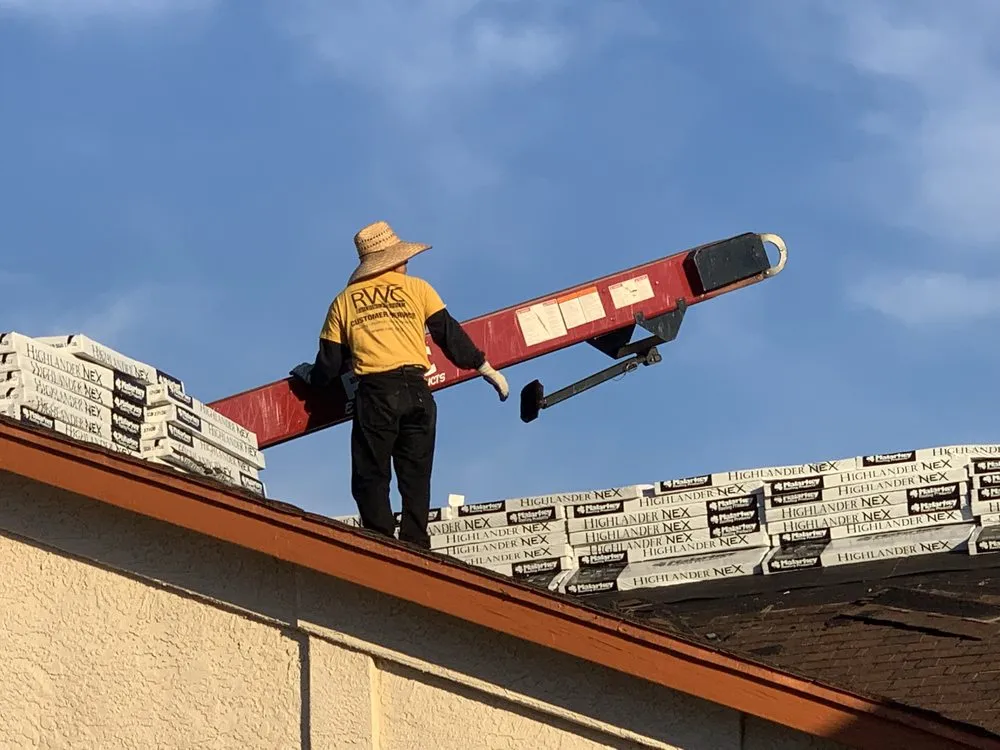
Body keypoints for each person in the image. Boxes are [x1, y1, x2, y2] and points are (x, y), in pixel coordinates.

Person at [290, 220, 509, 549]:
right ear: (393, 259)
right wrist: (485, 367)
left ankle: (382, 545)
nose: (407, 261)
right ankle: (416, 545)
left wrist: (310, 376)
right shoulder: (419, 289)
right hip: (418, 393)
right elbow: (448, 335)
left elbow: (329, 366)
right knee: (415, 476)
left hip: (377, 393)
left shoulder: (344, 302)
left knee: (370, 476)